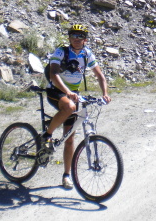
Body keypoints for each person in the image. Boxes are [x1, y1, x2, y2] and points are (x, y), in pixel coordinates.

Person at [40, 23, 111, 190]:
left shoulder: (87, 54)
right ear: (69, 38)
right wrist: (67, 92)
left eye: (80, 36)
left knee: (70, 138)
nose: (77, 39)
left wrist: (105, 93)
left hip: (73, 94)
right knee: (70, 107)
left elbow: (100, 75)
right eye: (73, 35)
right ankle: (47, 135)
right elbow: (53, 74)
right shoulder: (61, 51)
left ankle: (66, 176)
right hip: (56, 91)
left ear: (85, 39)